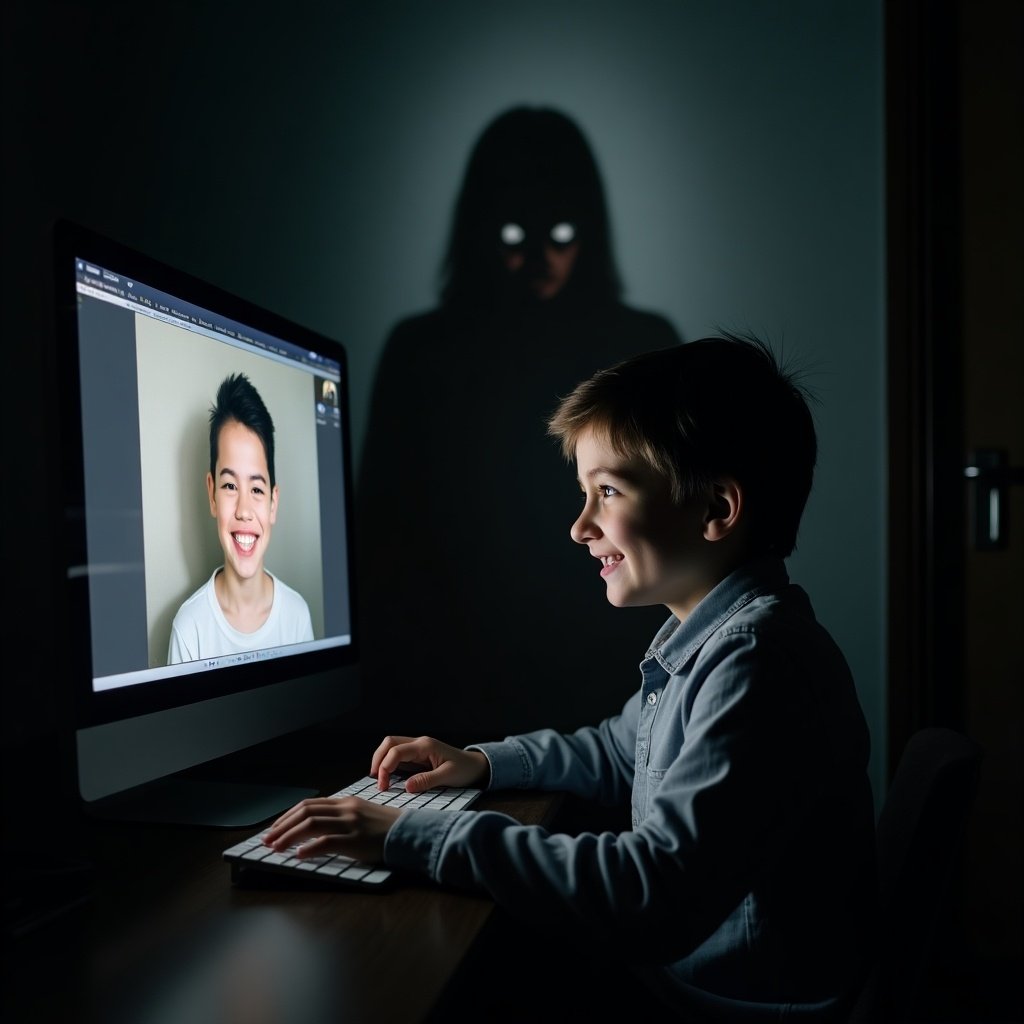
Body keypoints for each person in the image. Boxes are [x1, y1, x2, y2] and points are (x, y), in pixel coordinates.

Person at [266, 334, 878, 1020]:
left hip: (722, 1004)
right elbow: (618, 752)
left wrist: (412, 835)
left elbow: (652, 893)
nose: (579, 526)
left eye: (607, 491)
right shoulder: (706, 640)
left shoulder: (756, 663)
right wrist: (481, 763)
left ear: (716, 510)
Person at [356, 104, 683, 741]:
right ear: (479, 233)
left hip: (609, 686)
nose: (537, 258)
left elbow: (676, 529)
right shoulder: (422, 351)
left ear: (590, 231)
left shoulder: (644, 344)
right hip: (446, 686)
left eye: (560, 235)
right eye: (512, 237)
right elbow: (382, 540)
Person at [167, 372, 314, 664]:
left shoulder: (297, 616)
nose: (244, 510)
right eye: (230, 486)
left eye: (257, 489)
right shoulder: (189, 629)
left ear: (273, 503)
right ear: (212, 494)